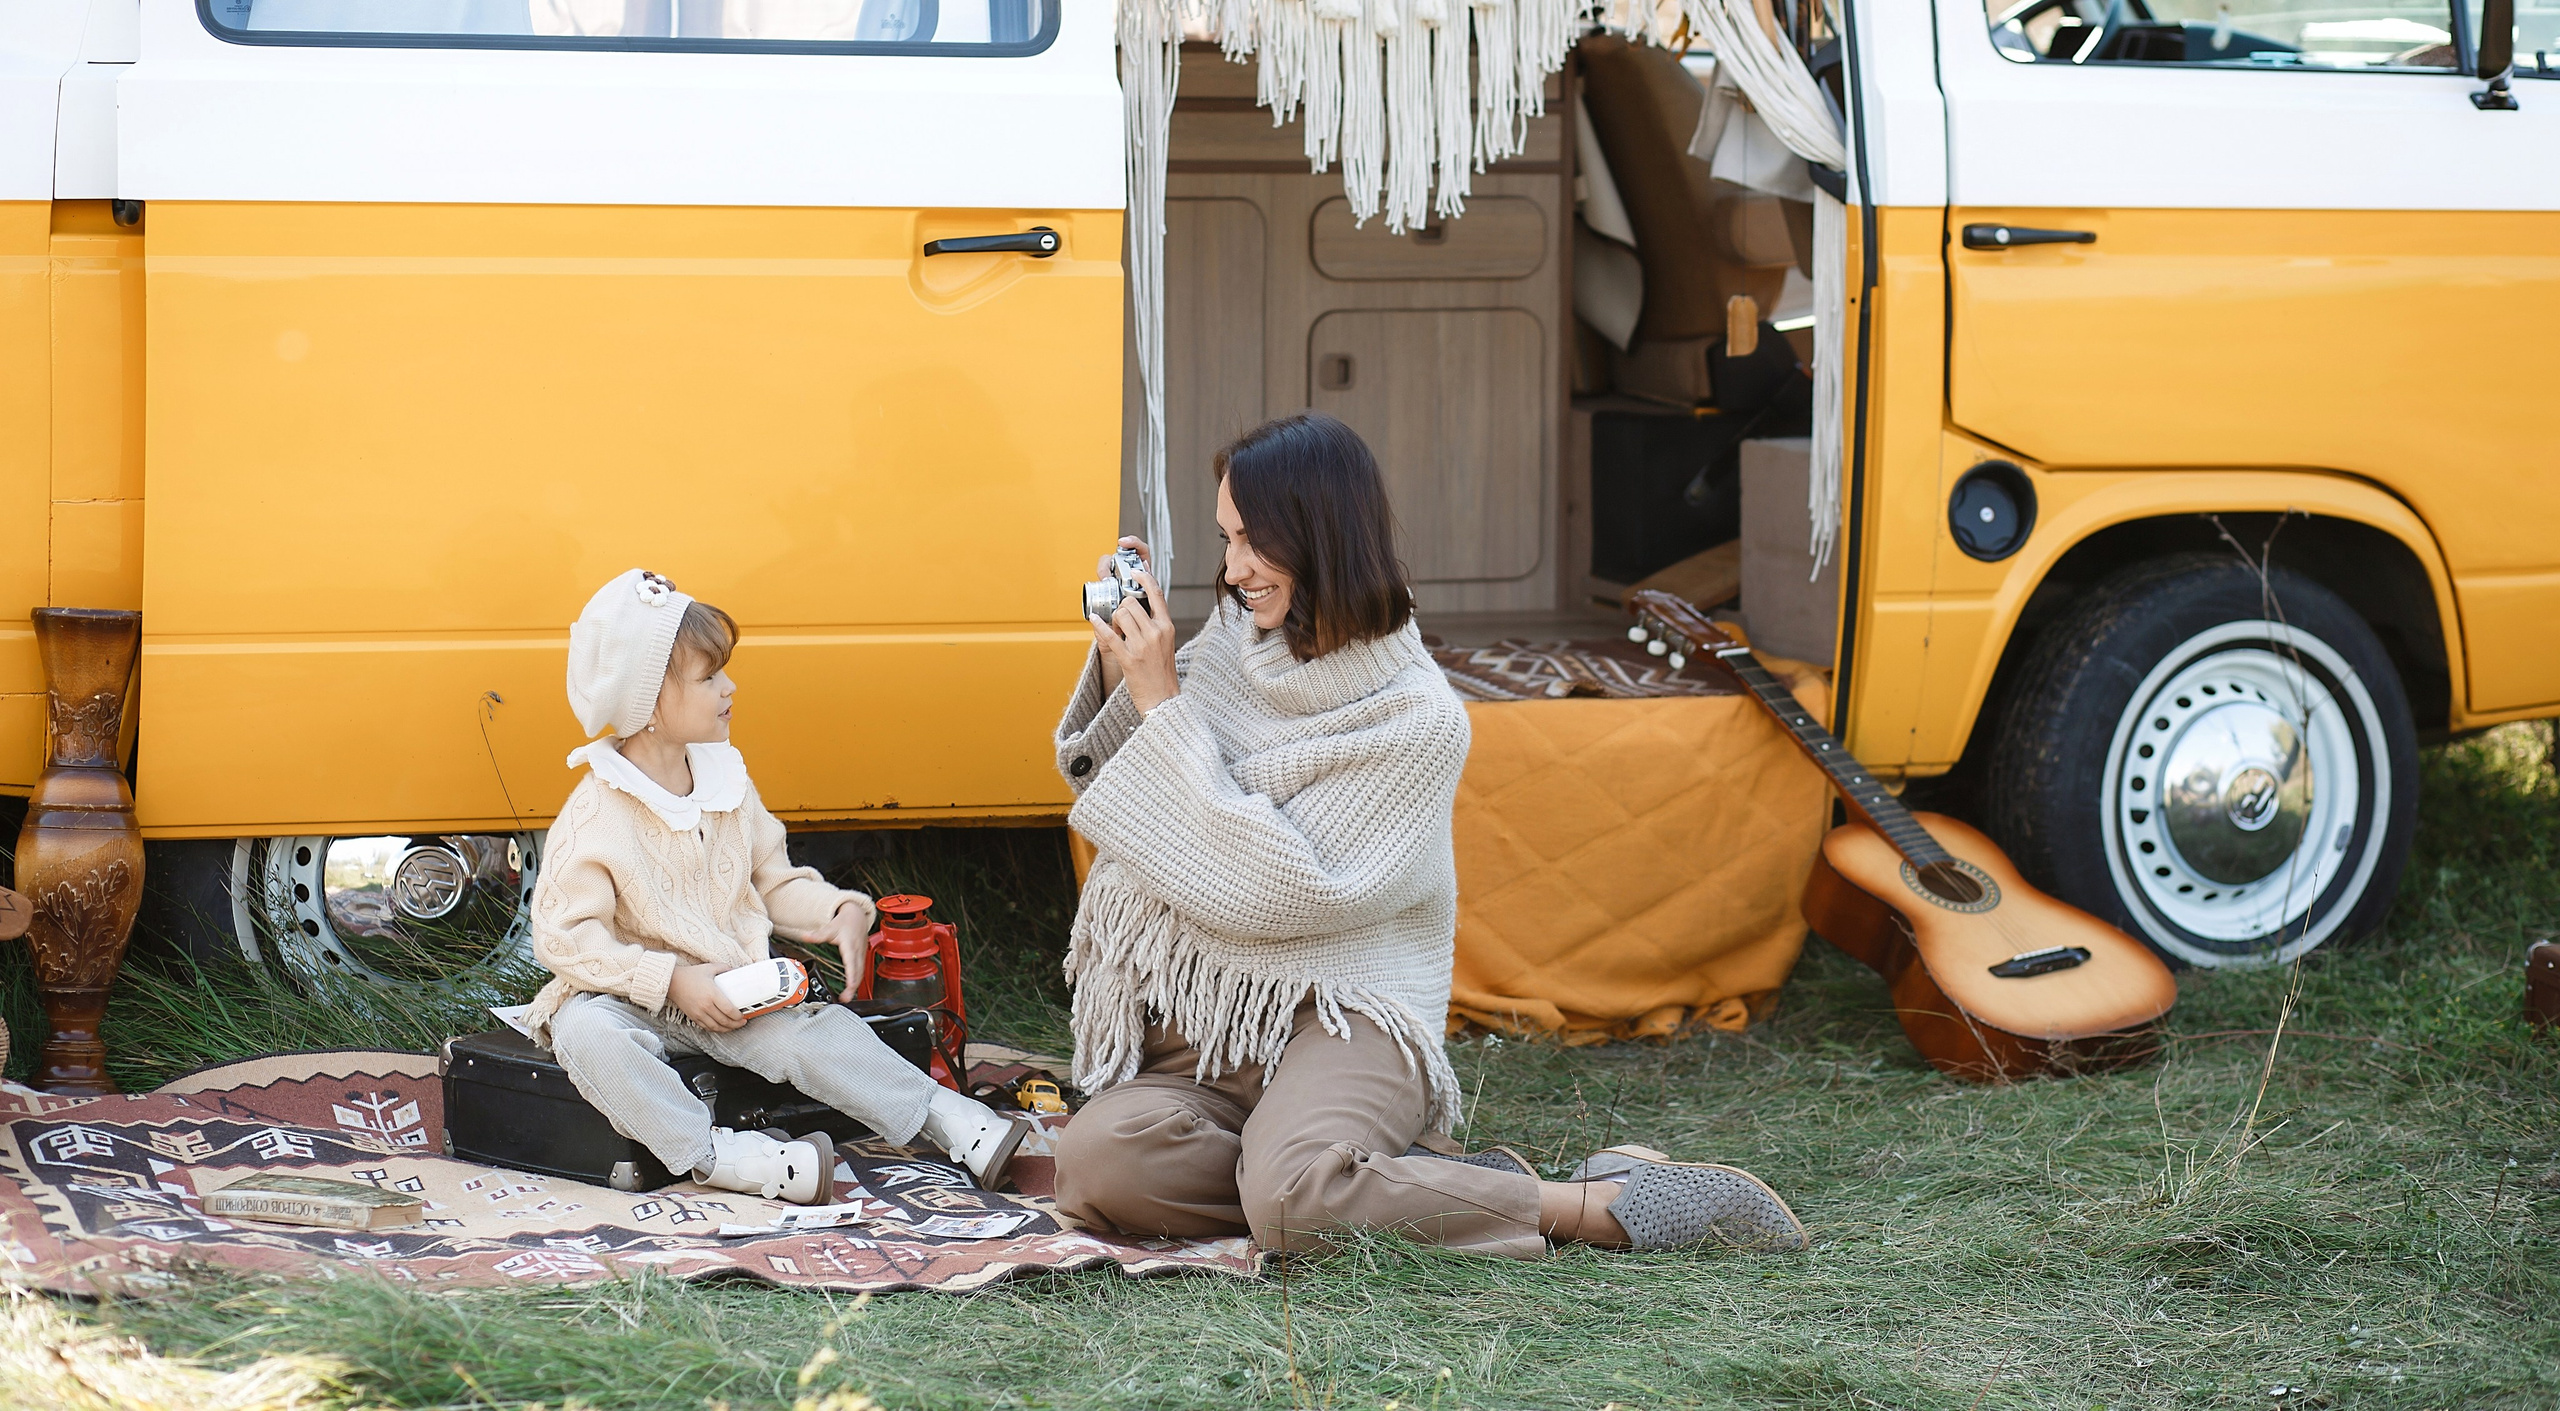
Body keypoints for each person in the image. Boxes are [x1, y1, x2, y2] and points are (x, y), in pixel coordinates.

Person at [1050, 414, 1806, 1256]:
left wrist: (1162, 704)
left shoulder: (1416, 720)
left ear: (1322, 535)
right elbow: (1140, 801)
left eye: (1251, 542)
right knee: (1096, 1165)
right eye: (1224, 539)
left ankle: (1595, 1203)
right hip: (1219, 1016)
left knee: (1290, 1194)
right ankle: (1388, 1178)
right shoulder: (1233, 649)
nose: (1231, 572)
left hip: (1345, 1016)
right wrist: (1130, 673)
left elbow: (1279, 890)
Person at [525, 568, 1026, 1203]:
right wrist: (670, 980)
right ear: (649, 702)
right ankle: (721, 1157)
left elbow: (772, 881)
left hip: (728, 991)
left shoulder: (724, 781)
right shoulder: (598, 811)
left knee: (811, 1033)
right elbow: (564, 937)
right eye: (709, 678)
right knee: (588, 1038)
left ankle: (948, 1120)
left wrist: (839, 911)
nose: (729, 687)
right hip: (629, 992)